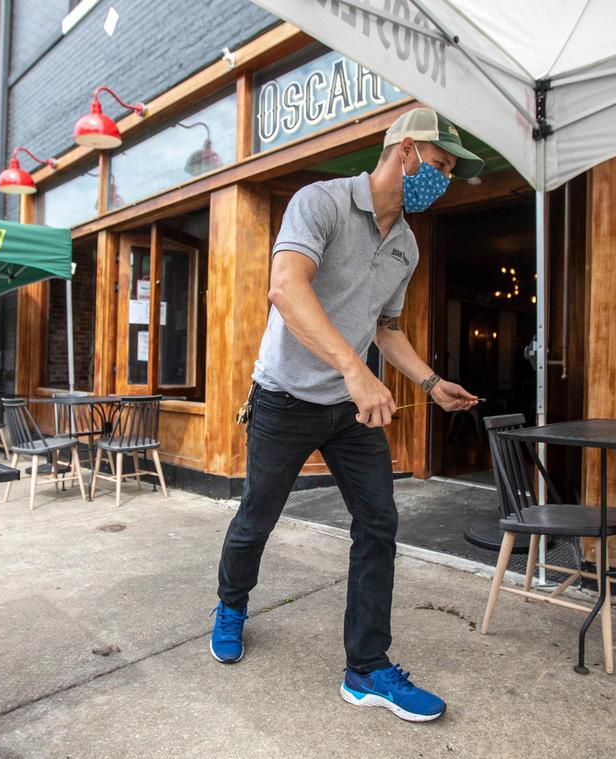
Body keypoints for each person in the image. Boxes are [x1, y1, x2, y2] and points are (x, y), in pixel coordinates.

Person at [210, 107, 484, 722]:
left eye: (446, 173)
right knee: (257, 518)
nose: (440, 181)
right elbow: (287, 288)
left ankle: (366, 669)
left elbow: (386, 330)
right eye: (438, 166)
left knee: (379, 523)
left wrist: (432, 381)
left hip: (347, 412)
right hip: (283, 398)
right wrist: (354, 370)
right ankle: (231, 604)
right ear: (406, 151)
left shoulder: (406, 246)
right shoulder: (322, 202)